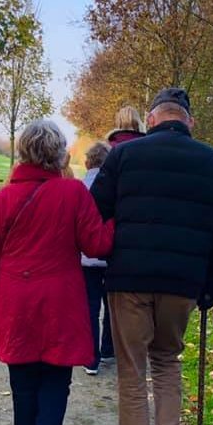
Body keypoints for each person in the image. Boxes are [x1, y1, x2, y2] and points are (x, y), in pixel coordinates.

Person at [91, 87, 213, 425]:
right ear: (188, 121)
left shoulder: (123, 156)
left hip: (129, 281)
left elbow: (94, 212)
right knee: (167, 361)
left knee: (132, 370)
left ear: (152, 119)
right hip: (182, 284)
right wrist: (211, 287)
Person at [0, 120, 113, 425]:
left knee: (23, 384)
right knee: (55, 381)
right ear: (57, 154)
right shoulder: (73, 194)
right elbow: (96, 245)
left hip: (15, 305)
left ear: (22, 152)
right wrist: (120, 222)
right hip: (61, 303)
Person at [80, 142, 115, 376]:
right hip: (112, 256)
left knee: (90, 307)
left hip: (86, 259)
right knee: (111, 304)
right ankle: (108, 348)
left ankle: (91, 358)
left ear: (86, 163)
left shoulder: (79, 187)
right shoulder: (116, 186)